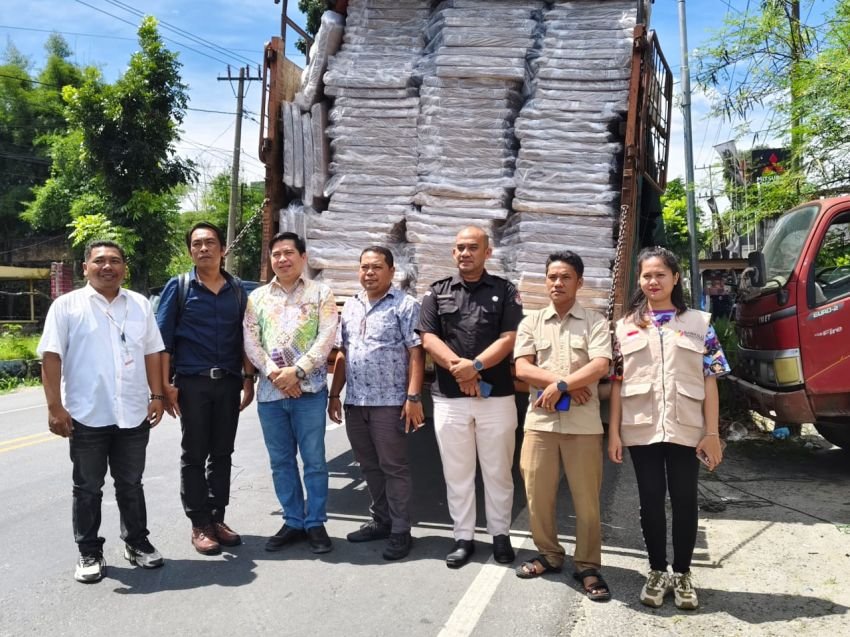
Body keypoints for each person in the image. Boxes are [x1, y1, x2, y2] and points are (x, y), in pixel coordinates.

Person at [608, 246, 729, 611]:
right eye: (646, 275)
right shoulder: (625, 326)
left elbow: (710, 381)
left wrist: (712, 433)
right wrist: (613, 432)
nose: (653, 281)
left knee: (684, 499)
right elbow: (616, 382)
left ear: (675, 278)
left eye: (661, 274)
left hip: (686, 428)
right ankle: (657, 570)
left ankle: (683, 573)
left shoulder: (699, 324)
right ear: (640, 281)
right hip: (642, 429)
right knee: (649, 501)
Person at [38, 240, 166, 583]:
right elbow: (51, 358)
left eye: (114, 260)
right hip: (86, 414)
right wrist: (55, 408)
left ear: (125, 267)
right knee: (87, 488)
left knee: (130, 483)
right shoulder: (66, 306)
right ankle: (89, 551)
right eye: (99, 261)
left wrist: (158, 395)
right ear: (85, 267)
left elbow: (153, 352)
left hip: (133, 411)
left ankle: (137, 543)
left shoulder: (139, 304)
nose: (107, 266)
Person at [417, 225, 523, 568]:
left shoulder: (505, 291)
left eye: (473, 247)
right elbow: (428, 338)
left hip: (496, 399)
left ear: (487, 253)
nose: (465, 253)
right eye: (460, 247)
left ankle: (500, 536)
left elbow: (509, 338)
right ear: (453, 253)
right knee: (457, 472)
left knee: (498, 472)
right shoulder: (437, 292)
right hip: (449, 398)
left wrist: (474, 366)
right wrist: (457, 368)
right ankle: (463, 537)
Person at [513, 251, 612, 602]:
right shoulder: (531, 322)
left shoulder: (595, 322)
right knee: (537, 496)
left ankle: (587, 566)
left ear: (579, 282)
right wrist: (564, 381)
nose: (558, 283)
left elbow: (600, 364)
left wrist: (559, 386)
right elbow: (523, 369)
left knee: (586, 503)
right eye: (552, 277)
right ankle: (550, 555)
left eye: (566, 277)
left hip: (583, 427)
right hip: (540, 424)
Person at [156, 222, 256, 556]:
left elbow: (246, 338)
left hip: (227, 382)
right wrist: (164, 386)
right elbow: (162, 342)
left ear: (223, 249)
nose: (203, 248)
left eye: (210, 242)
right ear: (190, 251)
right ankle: (199, 523)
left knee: (223, 453)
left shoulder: (238, 290)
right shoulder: (180, 287)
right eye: (197, 244)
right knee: (195, 454)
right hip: (192, 384)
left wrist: (248, 378)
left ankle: (217, 518)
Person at [328, 246, 425, 561]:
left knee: (393, 467)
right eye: (364, 267)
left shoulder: (405, 305)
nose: (369, 273)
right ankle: (381, 520)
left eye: (376, 267)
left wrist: (412, 397)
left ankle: (400, 530)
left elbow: (416, 353)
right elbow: (343, 353)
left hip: (390, 402)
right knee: (368, 466)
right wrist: (334, 395)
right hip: (357, 401)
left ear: (391, 271)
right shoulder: (352, 306)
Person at [243, 231, 337, 554]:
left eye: (288, 253)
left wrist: (296, 373)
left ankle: (315, 522)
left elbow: (326, 338)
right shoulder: (256, 298)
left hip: (309, 392)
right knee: (281, 461)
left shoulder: (321, 293)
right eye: (276, 254)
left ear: (303, 257)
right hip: (270, 395)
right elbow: (250, 341)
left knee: (314, 460)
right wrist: (275, 374)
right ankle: (293, 519)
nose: (282, 259)